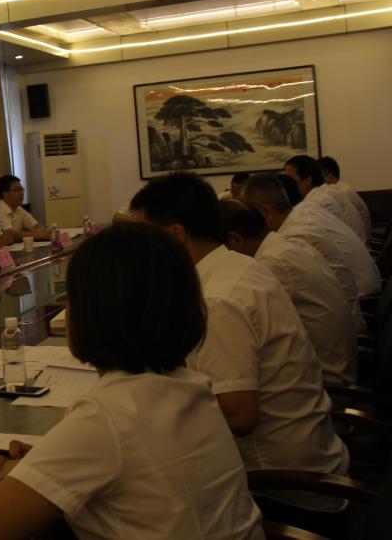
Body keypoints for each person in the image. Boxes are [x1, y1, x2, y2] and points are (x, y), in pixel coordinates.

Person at [0, 223, 263, 540]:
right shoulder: (192, 386)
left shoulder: (105, 418)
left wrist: (10, 477)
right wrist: (47, 462)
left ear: (88, 316)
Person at [129, 173, 348, 500]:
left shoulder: (218, 300)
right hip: (308, 455)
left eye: (143, 240)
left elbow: (239, 416)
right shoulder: (237, 266)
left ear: (175, 235)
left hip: (282, 483)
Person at [220, 199, 357, 385]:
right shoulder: (288, 245)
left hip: (328, 382)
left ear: (235, 240)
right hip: (338, 363)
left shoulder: (270, 263)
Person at [244, 173, 379, 301]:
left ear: (266, 211)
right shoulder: (305, 212)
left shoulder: (294, 236)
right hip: (363, 288)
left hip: (363, 298)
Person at [284, 155, 367, 243]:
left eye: (290, 181)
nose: (287, 187)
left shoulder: (317, 201)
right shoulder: (327, 191)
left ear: (307, 180)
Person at [319, 155, 372, 238]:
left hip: (359, 238)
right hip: (359, 235)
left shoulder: (340, 192)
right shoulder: (341, 187)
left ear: (329, 176)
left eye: (318, 175)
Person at [0, 175, 50, 241]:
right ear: (5, 194)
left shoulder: (19, 209)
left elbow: (40, 229)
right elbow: (11, 235)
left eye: (22, 189)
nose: (21, 193)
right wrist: (40, 235)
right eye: (17, 190)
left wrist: (23, 233)